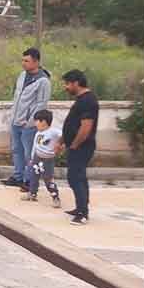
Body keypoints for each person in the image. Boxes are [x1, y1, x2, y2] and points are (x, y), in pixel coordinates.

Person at [2, 48, 52, 190]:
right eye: (22, 60)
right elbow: (17, 96)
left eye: (27, 61)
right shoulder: (22, 75)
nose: (23, 63)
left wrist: (30, 122)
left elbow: (41, 104)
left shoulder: (43, 81)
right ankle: (17, 177)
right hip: (15, 120)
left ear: (36, 62)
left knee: (29, 153)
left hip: (29, 124)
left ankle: (29, 181)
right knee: (16, 150)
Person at [60, 69, 99, 225]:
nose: (66, 87)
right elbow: (72, 124)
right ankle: (80, 207)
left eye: (67, 83)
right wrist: (62, 141)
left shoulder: (88, 101)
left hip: (83, 146)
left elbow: (85, 127)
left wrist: (75, 145)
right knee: (78, 177)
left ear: (76, 83)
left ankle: (82, 213)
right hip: (77, 146)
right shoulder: (81, 99)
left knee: (75, 177)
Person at [20, 109, 63, 208]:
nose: (35, 123)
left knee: (48, 179)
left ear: (43, 121)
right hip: (37, 158)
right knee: (33, 176)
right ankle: (32, 193)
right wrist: (31, 159)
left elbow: (62, 135)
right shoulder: (38, 133)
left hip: (48, 160)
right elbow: (35, 146)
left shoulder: (53, 131)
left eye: (37, 121)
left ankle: (55, 197)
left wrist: (60, 144)